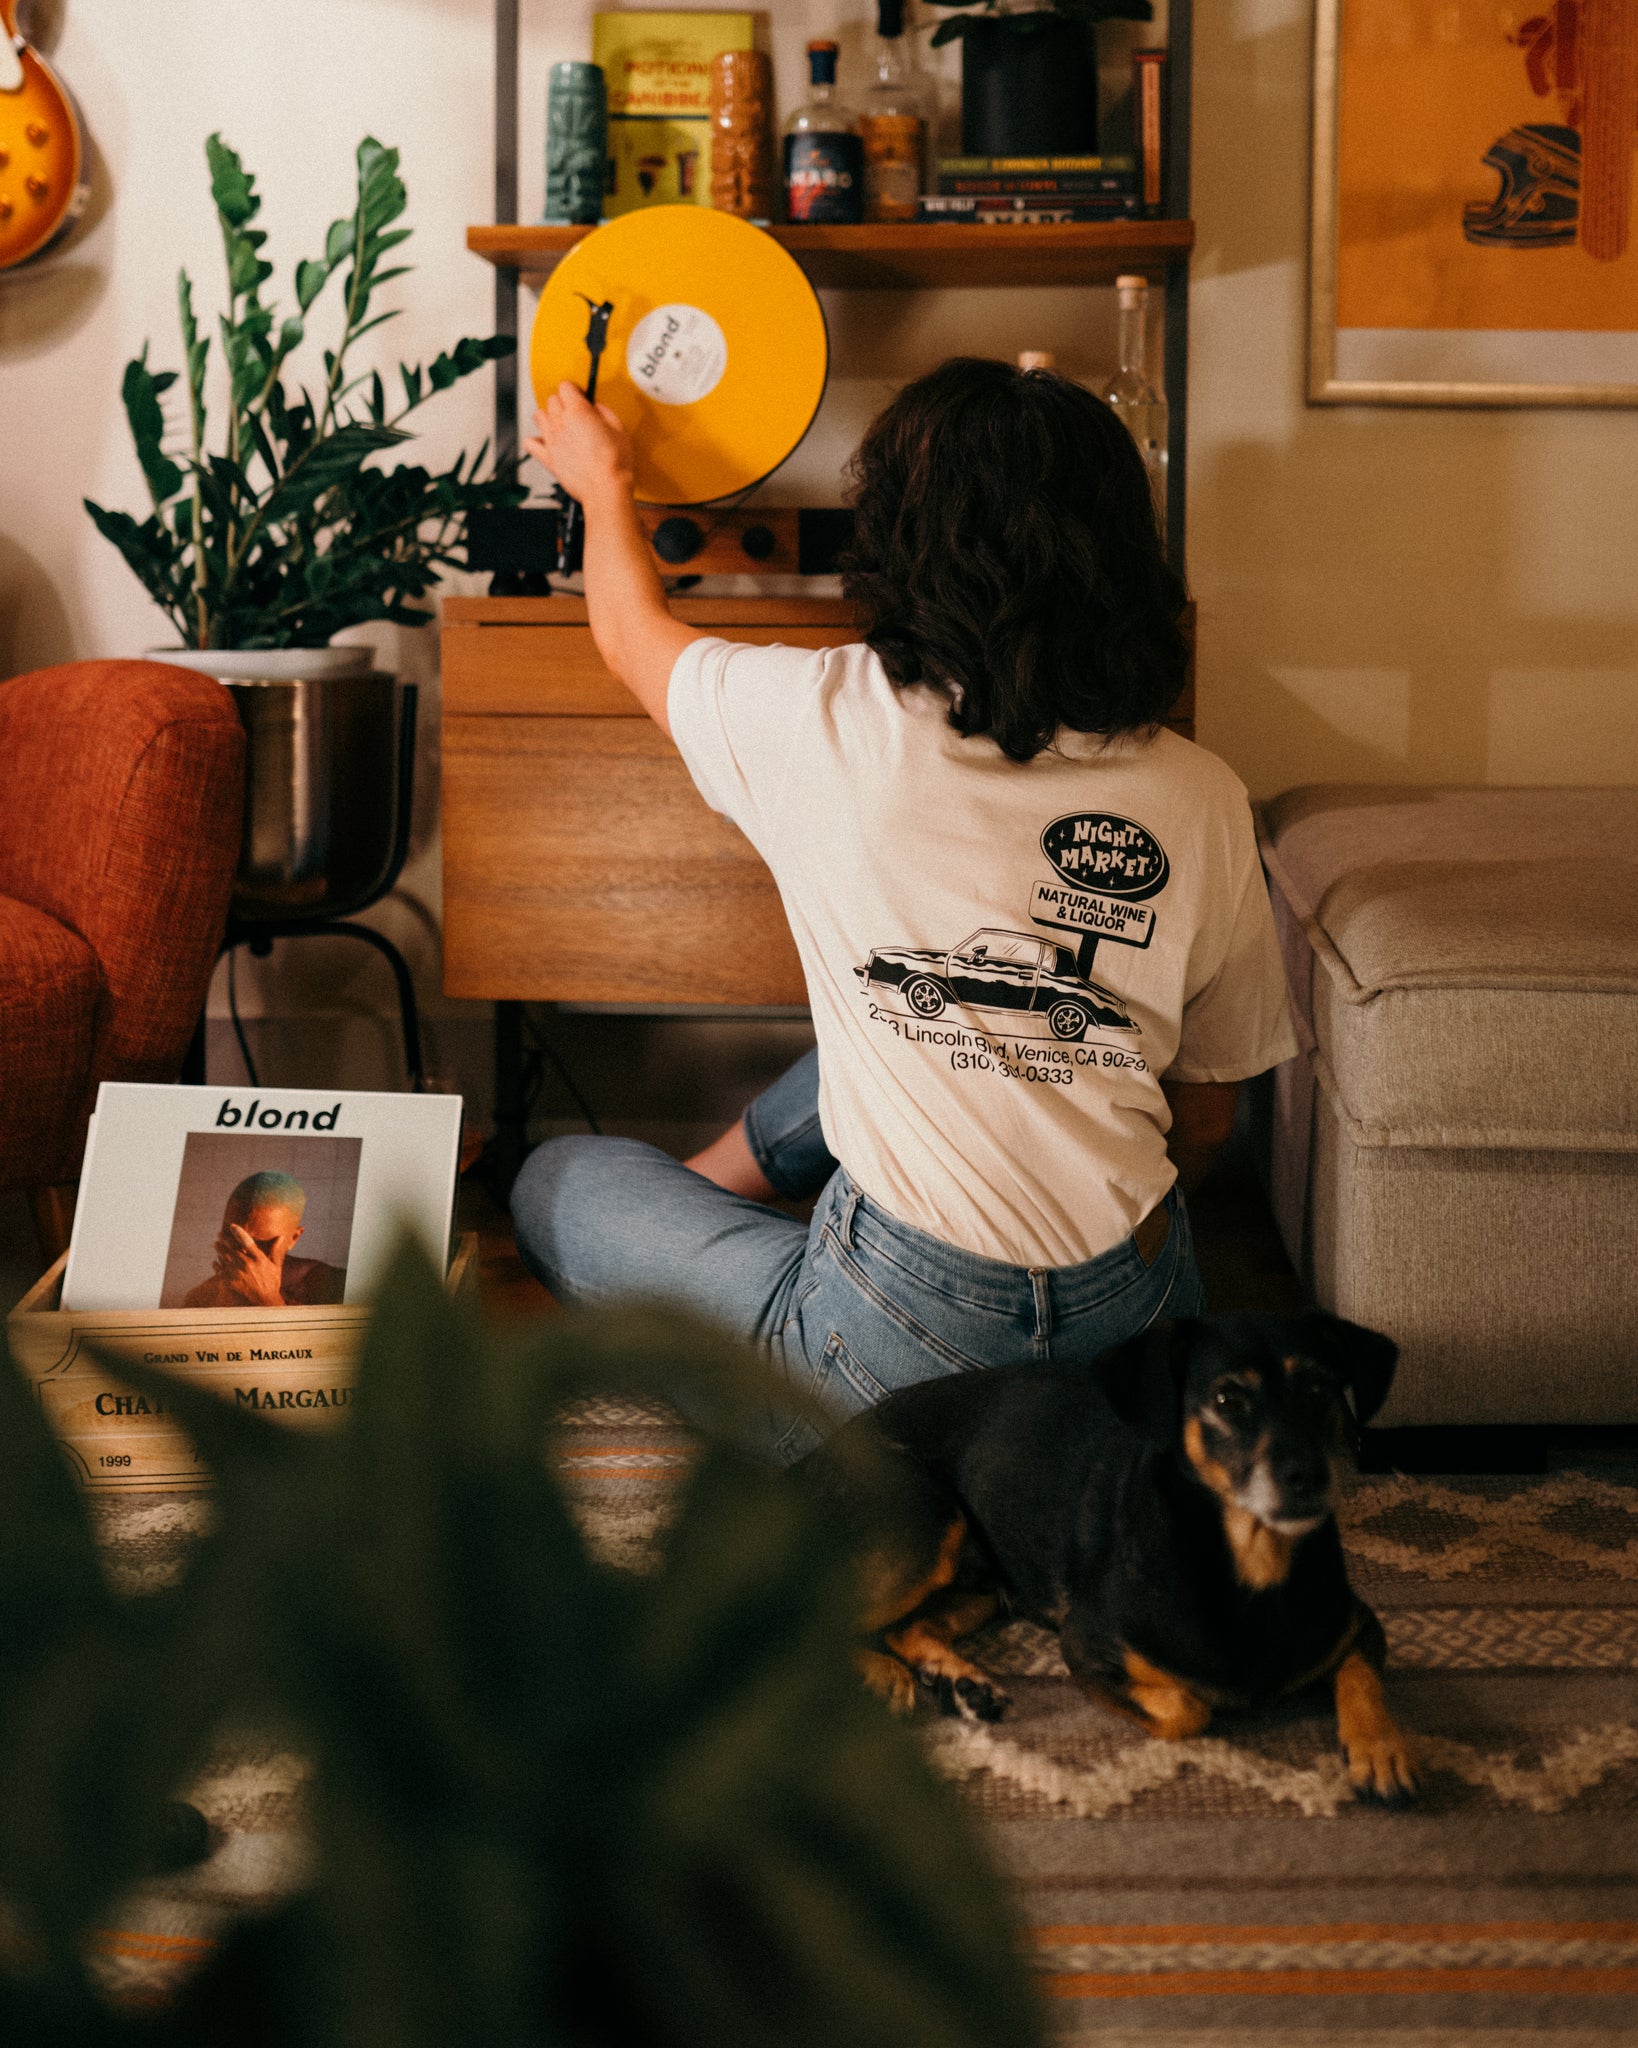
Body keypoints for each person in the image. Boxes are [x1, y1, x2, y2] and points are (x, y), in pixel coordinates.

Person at [512, 357, 1297, 1459]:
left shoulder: (819, 718)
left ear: (899, 540)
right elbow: (1208, 1116)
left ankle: (790, 1320)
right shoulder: (1204, 794)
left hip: (893, 1346)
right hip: (1141, 1330)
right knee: (912, 1028)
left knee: (557, 1181)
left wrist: (604, 484)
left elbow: (628, 630)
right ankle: (725, 1193)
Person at [181, 1170, 346, 1308]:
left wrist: (269, 1300)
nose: (243, 1252)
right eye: (233, 1236)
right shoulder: (200, 1297)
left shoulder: (335, 1286)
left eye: (260, 1244)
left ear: (293, 1238)